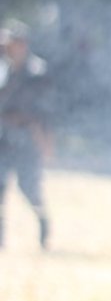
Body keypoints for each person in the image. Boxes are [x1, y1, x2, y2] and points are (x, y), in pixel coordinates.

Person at [0, 19, 53, 248]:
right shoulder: (3, 70)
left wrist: (45, 142)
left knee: (29, 188)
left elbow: (41, 113)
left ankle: (43, 225)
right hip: (4, 138)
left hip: (27, 140)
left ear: (22, 44)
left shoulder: (37, 72)